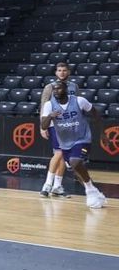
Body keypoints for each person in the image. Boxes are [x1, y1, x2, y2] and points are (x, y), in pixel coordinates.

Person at [41, 80, 106, 209]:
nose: (55, 91)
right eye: (54, 89)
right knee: (76, 171)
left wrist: (102, 133)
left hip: (82, 138)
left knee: (75, 162)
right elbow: (43, 125)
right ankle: (94, 191)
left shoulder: (79, 100)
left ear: (65, 89)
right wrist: (50, 116)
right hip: (65, 143)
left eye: (58, 89)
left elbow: (94, 112)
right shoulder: (49, 105)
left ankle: (90, 191)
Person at [38, 62, 77, 198]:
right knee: (59, 153)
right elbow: (43, 106)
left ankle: (57, 186)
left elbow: (76, 105)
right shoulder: (50, 87)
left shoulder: (74, 87)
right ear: (56, 73)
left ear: (68, 72)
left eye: (64, 70)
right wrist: (42, 126)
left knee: (64, 154)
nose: (62, 72)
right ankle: (47, 184)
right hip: (55, 125)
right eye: (59, 70)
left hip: (70, 125)